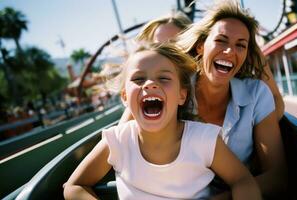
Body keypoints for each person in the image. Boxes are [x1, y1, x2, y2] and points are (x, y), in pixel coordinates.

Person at [63, 43, 262, 200]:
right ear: (124, 97)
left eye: (164, 79)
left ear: (181, 95)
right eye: (139, 79)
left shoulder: (204, 139)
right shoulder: (117, 141)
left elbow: (242, 180)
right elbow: (74, 187)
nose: (150, 84)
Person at [175, 0, 286, 198]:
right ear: (201, 46)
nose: (230, 51)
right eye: (221, 40)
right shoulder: (172, 89)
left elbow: (277, 177)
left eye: (241, 45)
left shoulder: (257, 95)